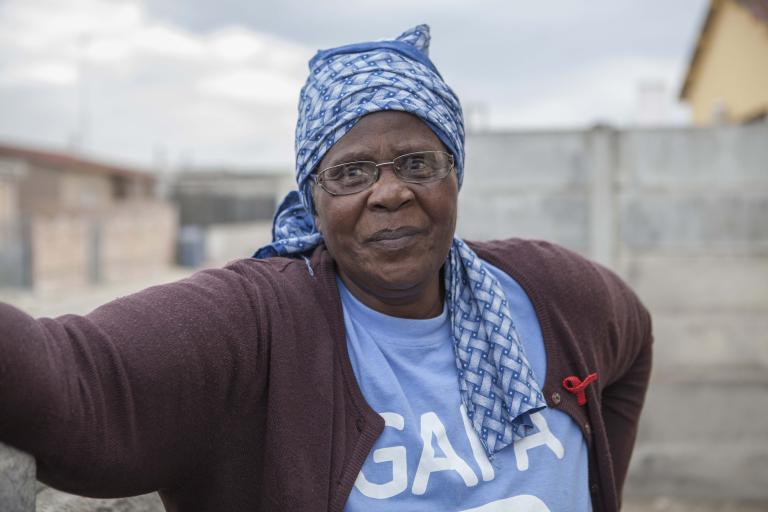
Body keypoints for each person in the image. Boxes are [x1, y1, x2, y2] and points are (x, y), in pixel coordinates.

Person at [0, 25, 652, 512]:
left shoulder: (550, 294)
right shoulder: (260, 325)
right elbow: (75, 381)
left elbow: (634, 341)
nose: (390, 192)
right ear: (313, 199)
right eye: (352, 173)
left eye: (418, 163)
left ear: (455, 175)